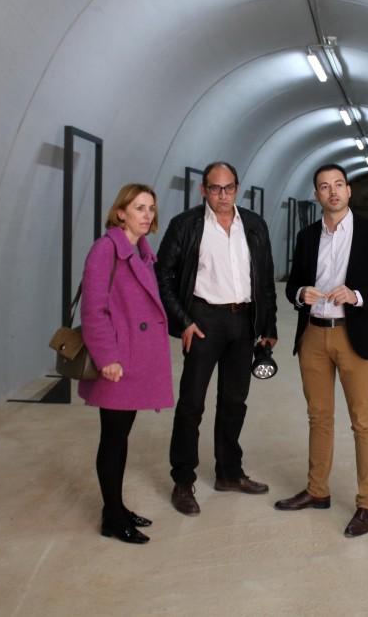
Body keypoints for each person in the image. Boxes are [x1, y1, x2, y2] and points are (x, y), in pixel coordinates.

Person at [276, 163, 368, 537]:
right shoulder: (307, 236)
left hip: (354, 336)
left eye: (338, 184)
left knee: (363, 421)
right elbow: (292, 285)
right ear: (316, 195)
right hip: (314, 335)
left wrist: (358, 295)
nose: (332, 191)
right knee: (318, 417)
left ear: (349, 191)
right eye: (324, 186)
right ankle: (317, 491)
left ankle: (367, 504)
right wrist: (301, 293)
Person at [156, 161, 277, 516]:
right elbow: (162, 277)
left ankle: (229, 472)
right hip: (204, 320)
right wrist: (184, 322)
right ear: (203, 190)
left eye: (228, 188)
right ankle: (183, 481)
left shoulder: (254, 225)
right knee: (192, 403)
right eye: (215, 188)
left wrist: (268, 326)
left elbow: (265, 278)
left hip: (244, 321)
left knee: (234, 401)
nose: (222, 195)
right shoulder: (185, 225)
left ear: (237, 188)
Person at [78, 183, 174, 545]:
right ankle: (113, 517)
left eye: (151, 208)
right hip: (118, 361)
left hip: (136, 358)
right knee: (113, 438)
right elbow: (94, 309)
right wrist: (107, 358)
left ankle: (116, 508)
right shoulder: (106, 249)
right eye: (139, 208)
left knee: (121, 437)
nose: (147, 215)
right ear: (121, 213)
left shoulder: (141, 251)